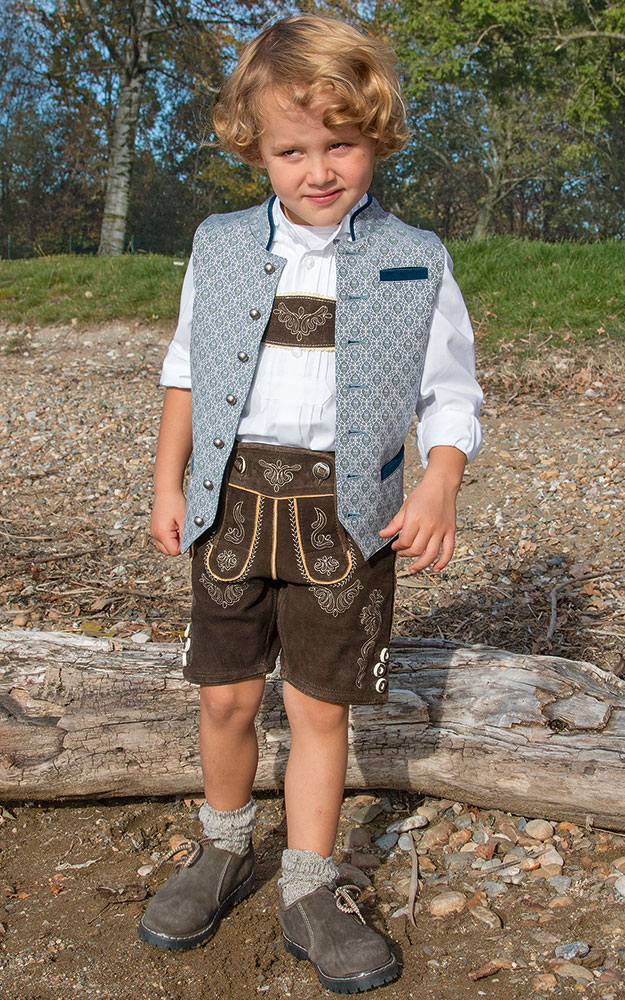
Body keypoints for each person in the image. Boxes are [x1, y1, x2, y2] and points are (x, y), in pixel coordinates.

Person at [140, 13, 482, 994]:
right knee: (226, 694)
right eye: (292, 150)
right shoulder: (218, 244)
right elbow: (185, 369)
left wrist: (439, 481)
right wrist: (166, 482)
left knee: (319, 708)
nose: (319, 170)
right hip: (230, 508)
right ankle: (220, 846)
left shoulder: (416, 257)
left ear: (375, 135)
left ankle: (308, 882)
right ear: (255, 146)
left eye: (341, 145)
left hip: (347, 518)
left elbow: (451, 393)